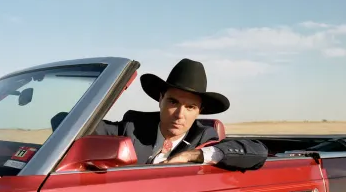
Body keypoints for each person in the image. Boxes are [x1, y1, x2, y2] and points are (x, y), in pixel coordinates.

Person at [93, 58, 268, 171]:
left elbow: (258, 151)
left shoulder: (204, 138)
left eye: (190, 107)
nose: (179, 114)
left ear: (200, 110)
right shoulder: (132, 126)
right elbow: (80, 129)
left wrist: (191, 155)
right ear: (161, 99)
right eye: (173, 102)